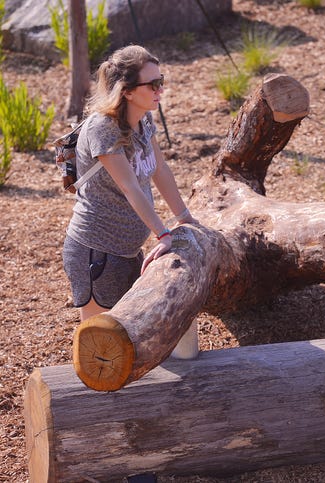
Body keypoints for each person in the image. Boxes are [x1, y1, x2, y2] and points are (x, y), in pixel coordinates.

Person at [62, 45, 196, 322]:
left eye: (162, 81)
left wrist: (184, 218)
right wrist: (163, 234)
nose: (161, 89)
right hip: (97, 250)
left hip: (127, 250)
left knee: (130, 334)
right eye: (154, 84)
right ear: (127, 91)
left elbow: (160, 169)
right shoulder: (103, 128)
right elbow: (129, 186)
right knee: (101, 339)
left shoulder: (144, 119)